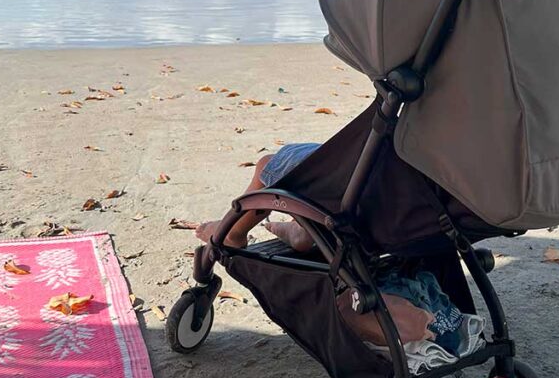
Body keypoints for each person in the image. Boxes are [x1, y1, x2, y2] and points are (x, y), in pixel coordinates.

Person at [194, 145, 485, 356]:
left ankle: (233, 232)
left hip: (394, 199)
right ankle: (302, 231)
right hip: (460, 209)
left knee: (272, 164)